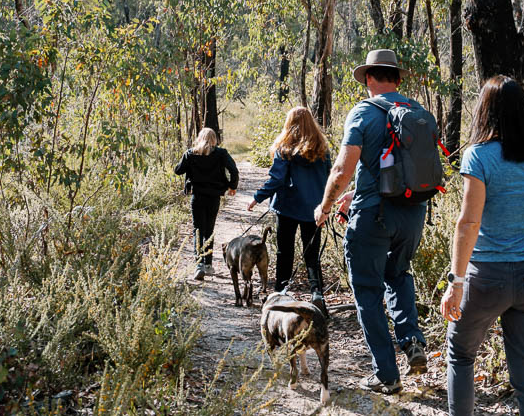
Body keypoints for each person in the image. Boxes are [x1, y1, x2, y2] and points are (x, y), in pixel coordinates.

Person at [424, 75, 524, 416]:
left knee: (460, 353)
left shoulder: (480, 157)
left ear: (487, 111)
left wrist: (455, 282)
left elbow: (468, 222)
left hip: (486, 276)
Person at [314, 48, 431, 393]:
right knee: (398, 274)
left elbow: (342, 169)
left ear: (368, 78)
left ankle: (386, 374)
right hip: (413, 213)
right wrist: (357, 193)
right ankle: (412, 341)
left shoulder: (363, 112)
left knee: (367, 290)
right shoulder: (417, 111)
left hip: (373, 217)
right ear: (397, 78)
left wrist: (325, 205)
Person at [248, 106, 331, 313]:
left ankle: (281, 292)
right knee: (312, 253)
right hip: (315, 209)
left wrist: (257, 198)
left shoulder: (284, 149)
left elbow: (276, 180)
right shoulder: (322, 149)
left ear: (289, 123)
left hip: (288, 208)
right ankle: (317, 293)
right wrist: (328, 204)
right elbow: (330, 177)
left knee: (285, 252)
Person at [174, 127, 238, 281]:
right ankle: (208, 264)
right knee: (209, 230)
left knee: (198, 230)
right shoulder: (221, 154)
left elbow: (178, 170)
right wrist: (232, 186)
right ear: (214, 139)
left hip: (197, 196)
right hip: (214, 197)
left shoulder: (190, 153)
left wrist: (187, 162)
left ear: (199, 138)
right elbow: (234, 170)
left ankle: (199, 266)